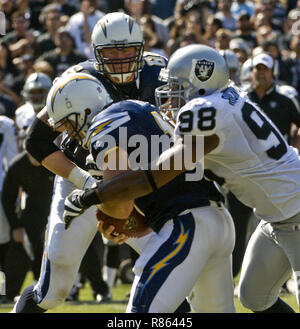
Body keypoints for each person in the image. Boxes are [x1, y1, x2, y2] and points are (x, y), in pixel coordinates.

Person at [64, 44, 300, 313]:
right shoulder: (228, 97)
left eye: (176, 86)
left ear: (200, 82)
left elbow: (151, 178)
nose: (169, 96)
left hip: (295, 209)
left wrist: (89, 195)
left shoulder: (202, 110)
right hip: (275, 215)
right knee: (254, 297)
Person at [11, 12, 168, 313]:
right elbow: (37, 141)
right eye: (111, 51)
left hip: (135, 184)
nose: (120, 58)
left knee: (169, 267)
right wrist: (86, 183)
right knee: (54, 288)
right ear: (96, 52)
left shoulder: (158, 76)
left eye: (127, 50)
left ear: (140, 47)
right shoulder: (78, 81)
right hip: (81, 180)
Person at [47, 72, 236, 313]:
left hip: (186, 225)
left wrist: (109, 220)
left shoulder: (103, 125)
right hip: (218, 218)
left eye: (69, 124)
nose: (70, 135)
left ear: (84, 111)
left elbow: (121, 200)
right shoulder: (141, 108)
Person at [1, 150, 54, 303]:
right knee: (18, 250)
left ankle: (99, 291)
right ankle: (8, 294)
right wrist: (15, 226)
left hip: (57, 212)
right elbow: (7, 199)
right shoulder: (18, 165)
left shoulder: (54, 159)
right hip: (32, 213)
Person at [0, 115, 18, 290]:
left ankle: (3, 289)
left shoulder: (5, 124)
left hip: (1, 187)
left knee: (3, 243)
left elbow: (12, 158)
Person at [15, 72, 52, 150]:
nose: (36, 96)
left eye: (39, 92)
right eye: (33, 92)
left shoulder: (56, 111)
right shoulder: (20, 112)